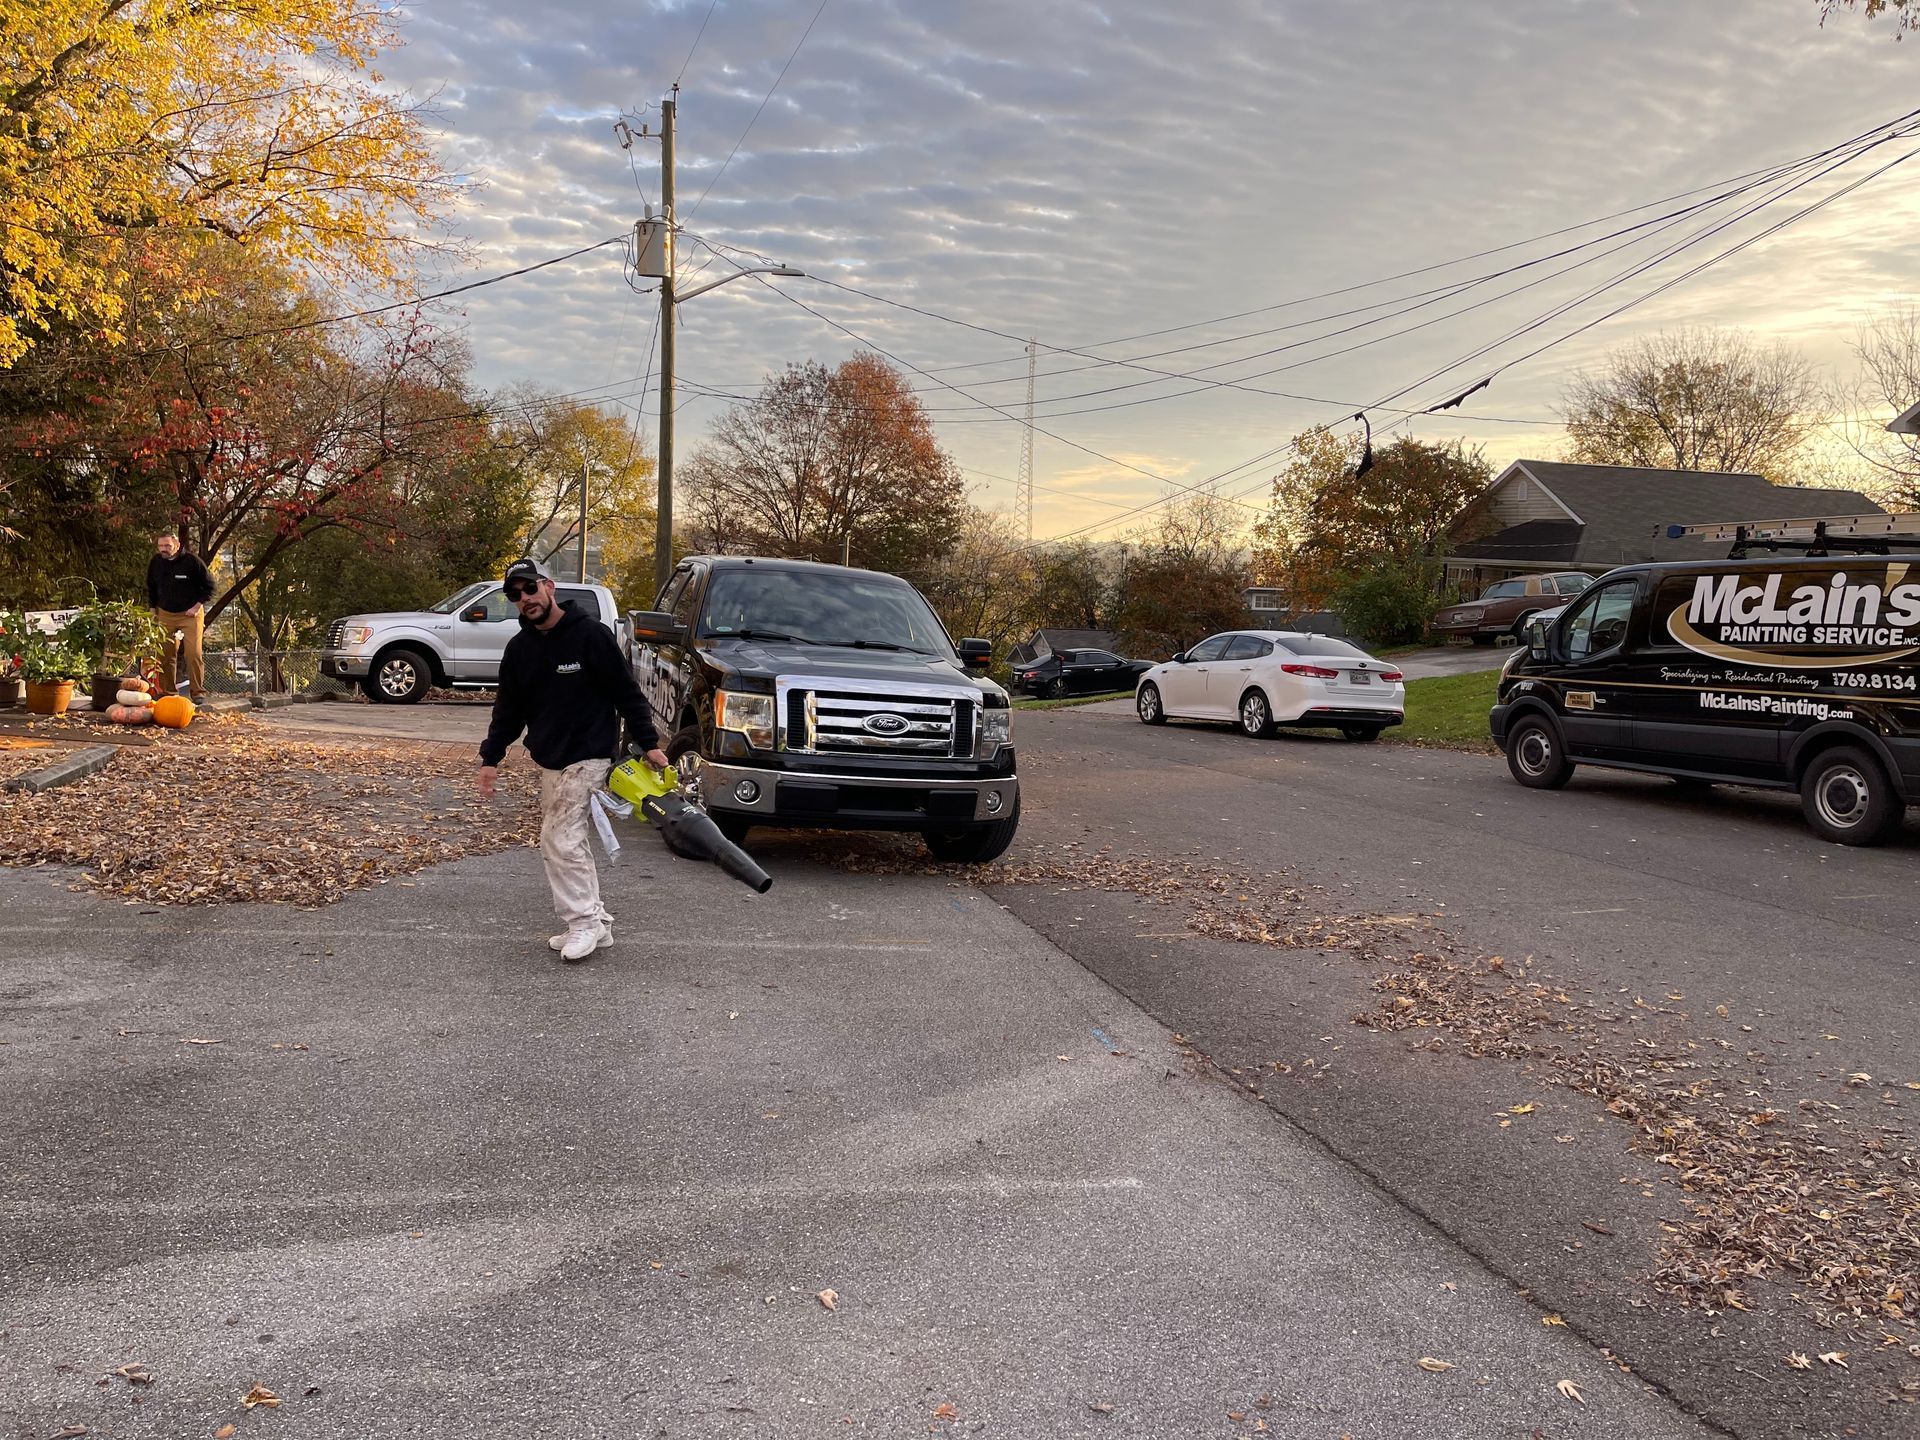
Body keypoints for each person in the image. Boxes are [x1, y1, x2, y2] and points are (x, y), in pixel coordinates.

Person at [477, 558, 670, 962]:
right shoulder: (520, 649)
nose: (524, 599)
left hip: (591, 753)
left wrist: (649, 744)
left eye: (529, 589)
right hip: (551, 758)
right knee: (563, 841)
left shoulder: (591, 637)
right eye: (515, 595)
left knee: (560, 839)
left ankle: (582, 922)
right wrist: (490, 757)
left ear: (549, 586)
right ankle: (596, 923)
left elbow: (627, 693)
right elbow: (507, 710)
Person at [146, 530, 215, 699]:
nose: (164, 549)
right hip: (165, 613)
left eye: (167, 545)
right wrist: (153, 609)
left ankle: (198, 692)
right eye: (161, 546)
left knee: (193, 653)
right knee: (166, 654)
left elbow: (210, 587)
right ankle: (168, 692)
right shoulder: (156, 562)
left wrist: (197, 606)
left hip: (190, 614)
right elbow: (151, 587)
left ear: (176, 545)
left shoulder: (192, 562)